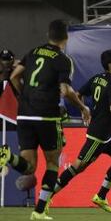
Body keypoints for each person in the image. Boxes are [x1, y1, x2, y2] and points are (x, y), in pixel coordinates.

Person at [0, 19, 91, 221]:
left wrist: (25, 96)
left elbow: (14, 75)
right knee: (52, 163)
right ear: (66, 37)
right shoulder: (63, 59)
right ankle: (39, 211)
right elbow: (65, 90)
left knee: (29, 166)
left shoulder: (33, 52)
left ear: (48, 35)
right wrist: (82, 107)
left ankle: (7, 157)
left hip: (24, 114)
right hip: (46, 116)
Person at [49, 49, 111, 213]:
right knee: (78, 167)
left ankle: (100, 196)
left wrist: (83, 110)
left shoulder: (96, 78)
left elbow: (78, 94)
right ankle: (48, 196)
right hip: (98, 135)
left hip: (107, 133)